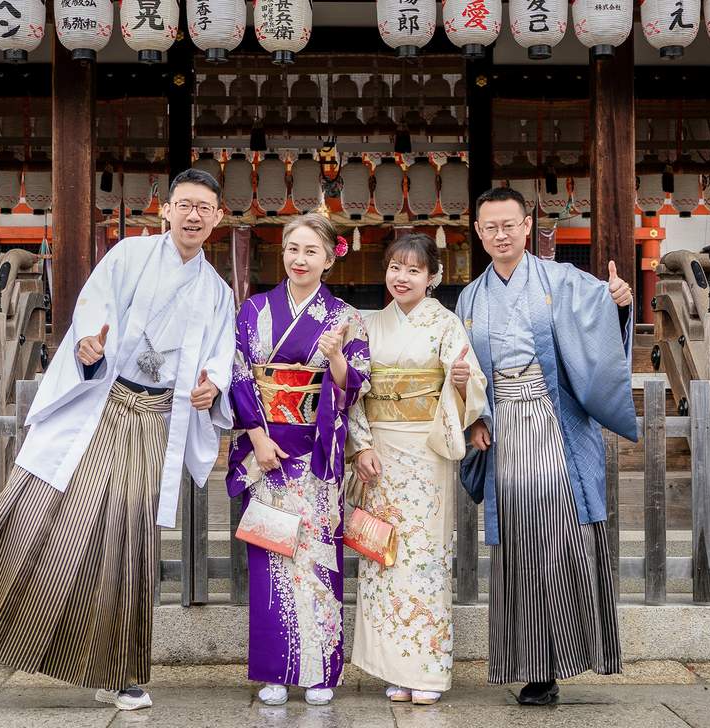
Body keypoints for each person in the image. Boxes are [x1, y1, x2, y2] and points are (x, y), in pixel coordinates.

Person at [0, 168, 236, 712]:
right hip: (103, 401)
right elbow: (93, 311)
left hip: (154, 418)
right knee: (34, 503)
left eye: (204, 208)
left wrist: (213, 384)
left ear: (218, 217)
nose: (193, 215)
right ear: (166, 210)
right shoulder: (129, 255)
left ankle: (119, 674)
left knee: (128, 540)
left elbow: (222, 354)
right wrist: (87, 347)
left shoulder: (218, 292)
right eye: (185, 205)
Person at [455, 186, 637, 706]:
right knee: (517, 544)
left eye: (509, 225)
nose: (501, 235)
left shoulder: (563, 280)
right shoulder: (470, 298)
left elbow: (601, 328)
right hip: (503, 425)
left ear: (527, 226)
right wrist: (474, 418)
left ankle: (572, 654)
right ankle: (533, 669)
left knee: (563, 537)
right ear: (478, 232)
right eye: (491, 227)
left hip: (553, 418)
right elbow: (462, 368)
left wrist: (619, 304)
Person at [226, 213, 370, 707]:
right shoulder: (253, 310)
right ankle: (274, 671)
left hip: (316, 451)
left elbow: (358, 384)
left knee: (317, 558)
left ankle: (320, 671)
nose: (300, 259)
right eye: (293, 249)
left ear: (329, 259)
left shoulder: (345, 317)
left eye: (311, 251)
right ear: (282, 252)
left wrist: (336, 359)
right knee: (271, 557)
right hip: (267, 450)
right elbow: (239, 373)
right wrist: (257, 437)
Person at [347, 233, 487, 706]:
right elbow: (355, 390)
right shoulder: (369, 324)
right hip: (379, 453)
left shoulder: (445, 324)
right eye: (395, 268)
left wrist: (461, 384)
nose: (402, 278)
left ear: (432, 277)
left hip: (426, 450)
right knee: (382, 554)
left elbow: (469, 385)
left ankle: (426, 669)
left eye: (413, 270)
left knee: (424, 558)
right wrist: (361, 446)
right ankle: (392, 667)